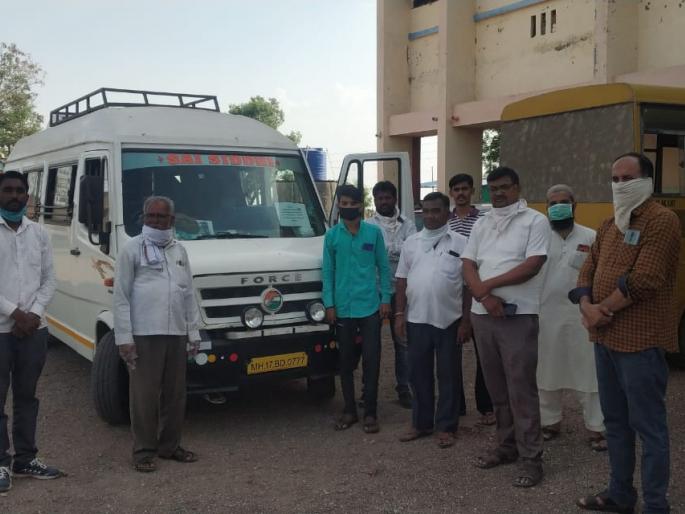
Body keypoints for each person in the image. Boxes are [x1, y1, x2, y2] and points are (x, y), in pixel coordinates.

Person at [573, 153, 680, 514]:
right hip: (605, 340)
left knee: (649, 427)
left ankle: (655, 505)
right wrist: (586, 305)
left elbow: (645, 279)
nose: (620, 185)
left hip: (640, 342)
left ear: (647, 182)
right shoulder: (610, 224)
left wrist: (601, 310)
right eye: (615, 179)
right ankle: (620, 494)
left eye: (627, 178)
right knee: (616, 422)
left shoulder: (661, 220)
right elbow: (587, 269)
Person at [462, 166, 550, 488]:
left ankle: (531, 458)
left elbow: (533, 265)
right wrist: (484, 296)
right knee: (496, 388)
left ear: (517, 187)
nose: (498, 193)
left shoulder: (535, 221)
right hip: (483, 315)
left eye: (504, 187)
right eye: (493, 188)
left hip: (518, 316)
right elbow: (467, 263)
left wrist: (486, 286)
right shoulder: (482, 223)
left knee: (521, 389)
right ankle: (506, 446)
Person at [114, 195, 201, 472]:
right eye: (150, 216)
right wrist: (124, 338)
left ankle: (170, 446)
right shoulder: (132, 248)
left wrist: (193, 332)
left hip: (176, 331)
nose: (154, 221)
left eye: (160, 216)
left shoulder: (179, 250)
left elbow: (188, 292)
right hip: (144, 332)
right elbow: (121, 296)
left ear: (171, 220)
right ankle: (143, 452)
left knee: (175, 394)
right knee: (144, 396)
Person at [0, 171, 62, 493]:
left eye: (19, 190)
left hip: (34, 331)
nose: (14, 195)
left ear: (27, 195)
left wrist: (34, 315)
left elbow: (50, 279)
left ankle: (25, 459)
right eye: (8, 190)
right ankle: (1, 463)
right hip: (1, 330)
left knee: (27, 397)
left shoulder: (39, 233)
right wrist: (16, 313)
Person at [394, 192, 470, 448]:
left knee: (449, 375)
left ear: (447, 212)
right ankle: (421, 423)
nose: (430, 216)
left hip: (449, 320)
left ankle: (446, 426)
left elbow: (468, 286)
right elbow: (401, 280)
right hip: (416, 320)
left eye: (436, 210)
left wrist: (466, 321)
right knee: (418, 374)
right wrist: (399, 314)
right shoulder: (411, 243)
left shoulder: (462, 243)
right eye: (425, 211)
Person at [537, 184, 605, 450]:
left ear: (574, 206)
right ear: (546, 208)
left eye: (563, 202)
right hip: (545, 315)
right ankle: (549, 422)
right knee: (546, 371)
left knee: (589, 372)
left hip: (582, 317)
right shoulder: (538, 239)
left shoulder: (591, 237)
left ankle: (597, 428)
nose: (558, 207)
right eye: (553, 203)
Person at [322, 184, 392, 434]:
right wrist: (329, 304)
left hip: (370, 307)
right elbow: (327, 272)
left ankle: (370, 412)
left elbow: (384, 268)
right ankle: (349, 410)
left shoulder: (373, 233)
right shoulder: (332, 236)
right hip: (343, 309)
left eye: (353, 204)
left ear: (361, 206)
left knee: (372, 361)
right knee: (345, 362)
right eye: (344, 203)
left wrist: (386, 299)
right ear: (339, 205)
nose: (348, 207)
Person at [447, 173, 494, 426]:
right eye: (456, 189)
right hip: (452, 294)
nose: (461, 193)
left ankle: (486, 406)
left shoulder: (484, 220)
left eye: (465, 188)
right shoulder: (445, 221)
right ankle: (457, 406)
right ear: (451, 193)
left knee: (483, 354)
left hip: (478, 291)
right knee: (450, 355)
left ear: (472, 191)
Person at [366, 180, 416, 409]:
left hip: (402, 290)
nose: (384, 202)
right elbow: (369, 256)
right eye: (380, 198)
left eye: (387, 198)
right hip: (375, 290)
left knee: (402, 340)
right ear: (375, 201)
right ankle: (368, 392)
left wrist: (386, 251)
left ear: (395, 199)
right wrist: (395, 251)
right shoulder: (368, 226)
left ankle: (404, 389)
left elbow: (411, 253)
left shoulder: (408, 225)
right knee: (371, 343)